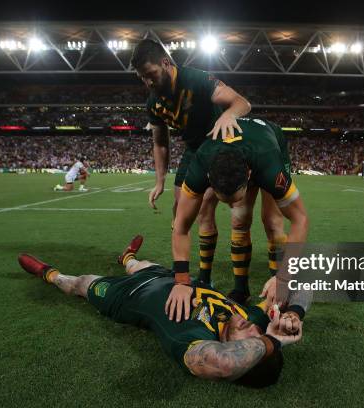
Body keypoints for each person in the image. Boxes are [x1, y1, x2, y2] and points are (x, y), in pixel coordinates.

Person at [18, 235, 307, 387]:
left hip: (125, 297)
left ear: (237, 352)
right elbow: (312, 274)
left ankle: (50, 274)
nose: (252, 328)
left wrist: (273, 342)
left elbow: (223, 364)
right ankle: (127, 257)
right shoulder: (251, 321)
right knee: (137, 264)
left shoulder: (192, 338)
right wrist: (294, 311)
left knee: (80, 284)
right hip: (170, 277)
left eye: (252, 342)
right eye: (260, 332)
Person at [131, 39, 251, 293]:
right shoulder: (154, 103)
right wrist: (159, 181)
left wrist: (229, 114)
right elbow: (160, 142)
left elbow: (242, 103)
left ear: (166, 63)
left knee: (206, 209)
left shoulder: (196, 80)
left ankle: (208, 278)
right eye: (142, 78)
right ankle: (184, 271)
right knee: (180, 214)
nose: (148, 82)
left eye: (151, 74)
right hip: (193, 151)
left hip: (218, 146)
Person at [168, 118, 309, 320]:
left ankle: (278, 291)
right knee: (239, 220)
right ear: (208, 178)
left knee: (272, 221)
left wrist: (284, 278)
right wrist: (181, 281)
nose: (231, 206)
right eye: (224, 201)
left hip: (269, 141)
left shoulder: (269, 165)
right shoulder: (200, 164)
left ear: (249, 176)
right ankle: (241, 290)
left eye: (235, 199)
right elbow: (180, 226)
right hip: (238, 152)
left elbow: (300, 218)